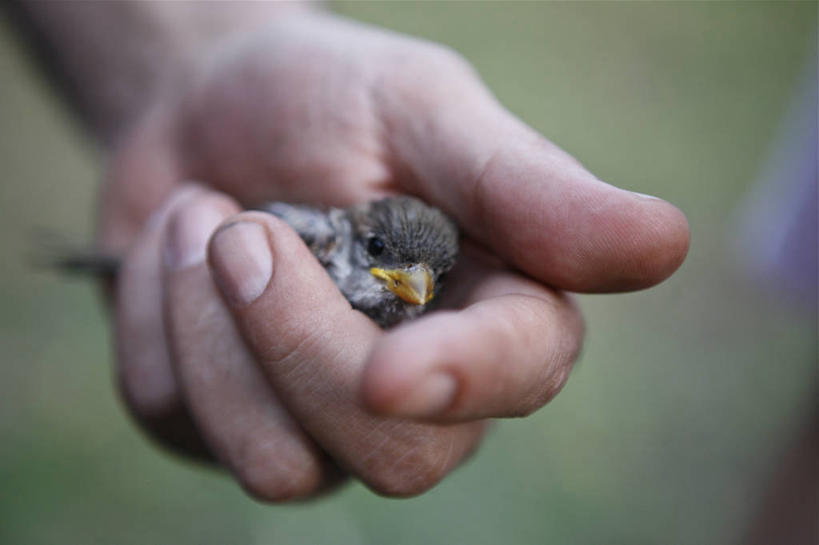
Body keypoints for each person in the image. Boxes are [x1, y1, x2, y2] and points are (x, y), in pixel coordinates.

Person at [11, 2, 689, 499]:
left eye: (430, 278)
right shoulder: (308, 234)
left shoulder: (413, 304)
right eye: (385, 259)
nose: (411, 287)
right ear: (349, 237)